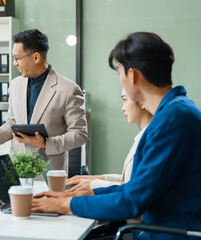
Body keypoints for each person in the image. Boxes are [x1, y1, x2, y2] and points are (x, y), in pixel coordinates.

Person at [31, 32, 201, 240]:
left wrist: (65, 203)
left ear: (133, 75)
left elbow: (133, 201)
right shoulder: (175, 112)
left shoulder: (173, 119)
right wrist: (81, 195)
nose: (120, 81)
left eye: (119, 73)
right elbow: (135, 187)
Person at [0, 29, 87, 172]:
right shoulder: (15, 84)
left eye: (17, 58)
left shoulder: (68, 89)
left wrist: (45, 143)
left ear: (36, 57)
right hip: (17, 169)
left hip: (49, 172)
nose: (14, 63)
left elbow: (80, 134)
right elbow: (12, 124)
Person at [65, 88, 152, 192]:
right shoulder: (143, 136)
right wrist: (97, 178)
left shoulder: (151, 140)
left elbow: (134, 189)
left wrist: (93, 184)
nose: (122, 108)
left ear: (142, 102)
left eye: (125, 100)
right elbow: (129, 179)